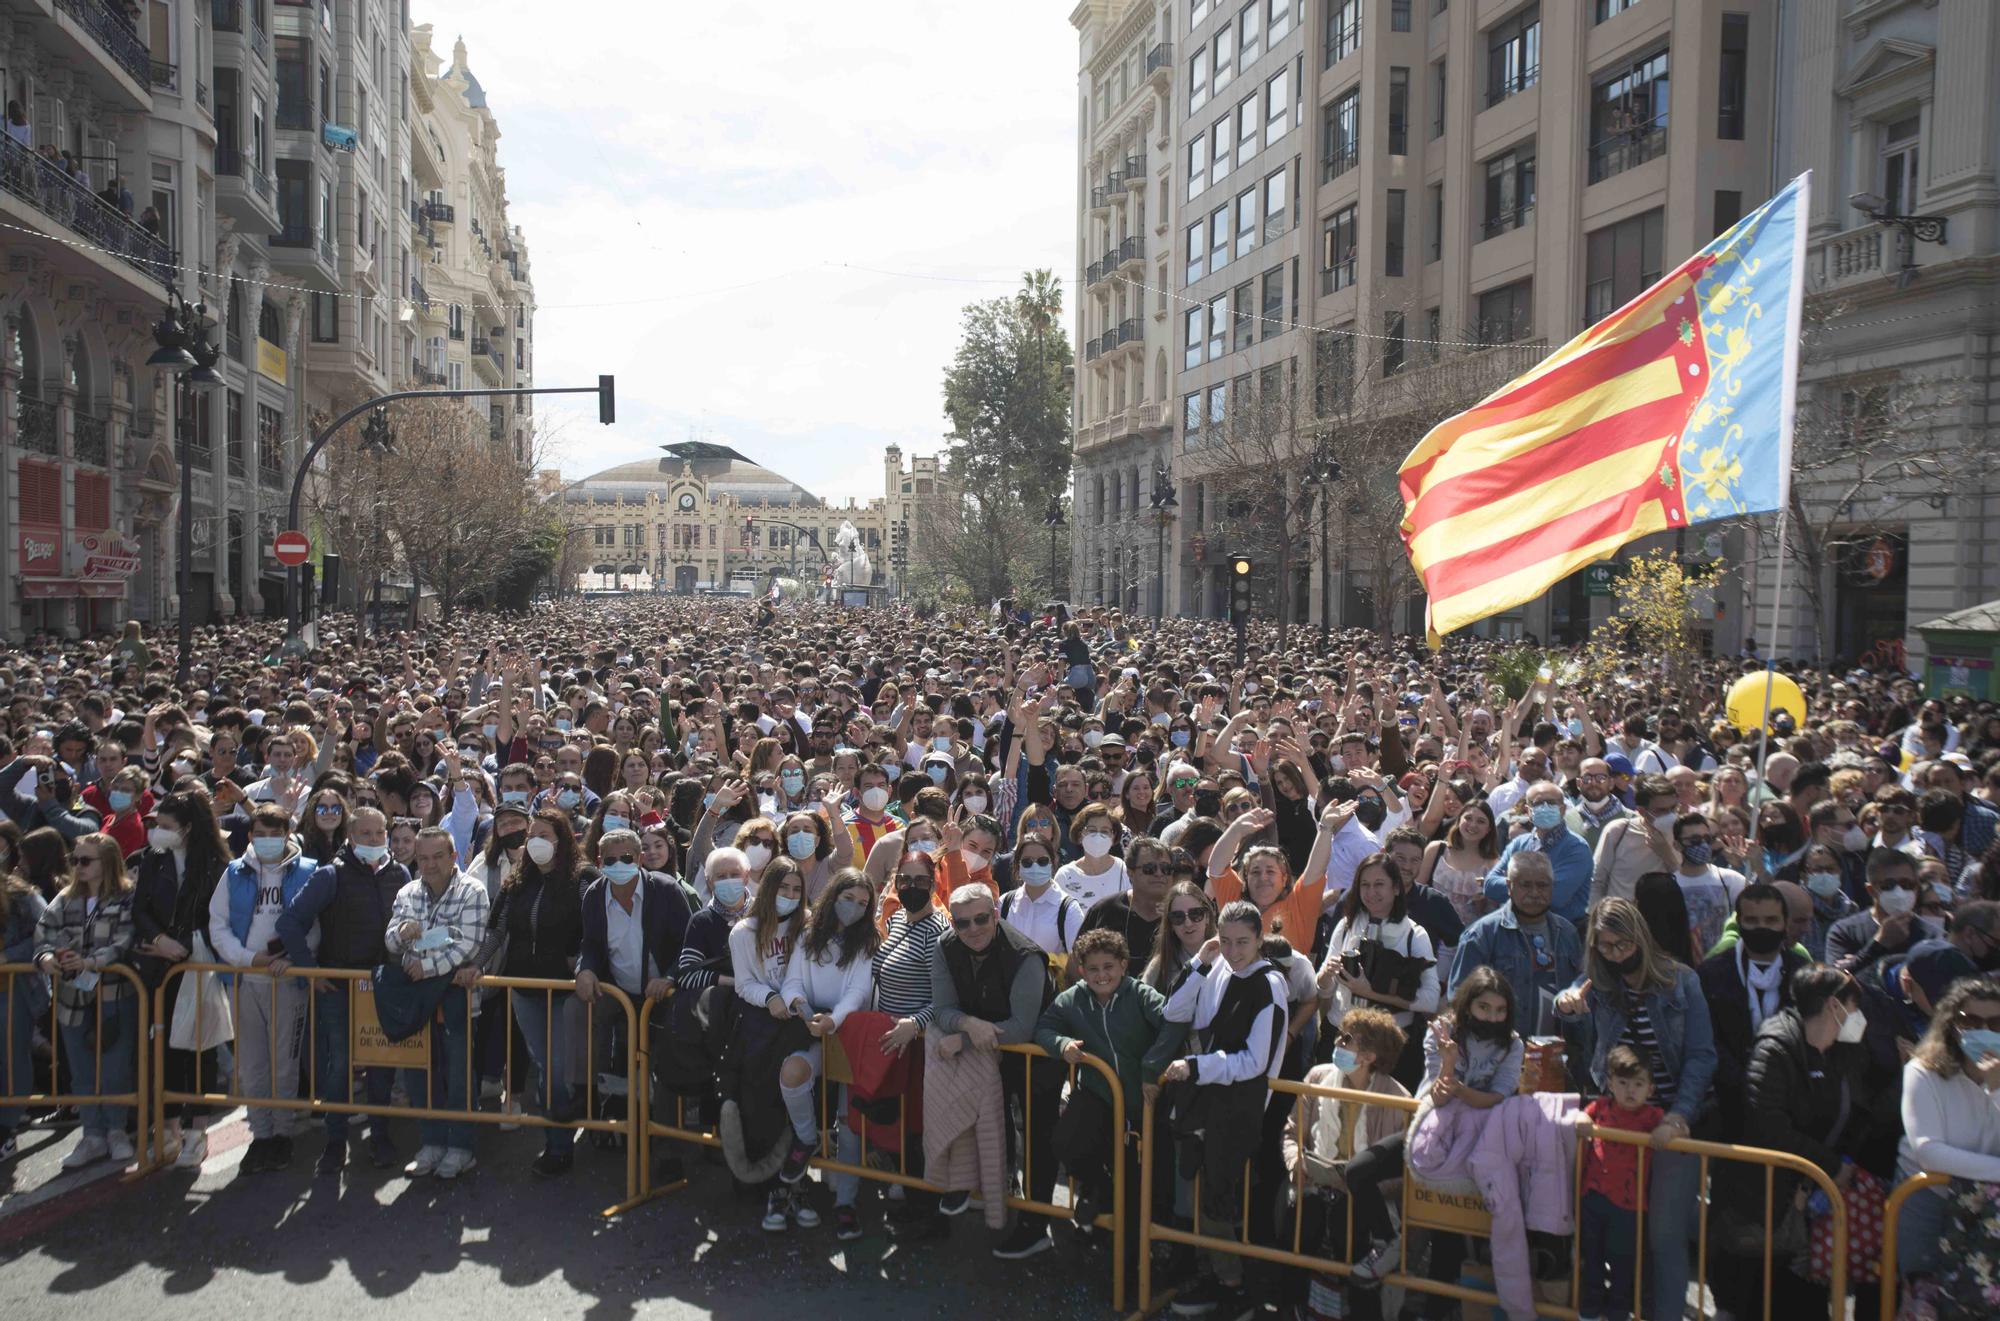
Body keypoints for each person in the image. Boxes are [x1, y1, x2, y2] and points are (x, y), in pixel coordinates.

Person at [1555, 896, 1715, 1321]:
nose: (1614, 955)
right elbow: (1570, 995)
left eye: (1622, 946)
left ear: (1639, 939)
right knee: (1605, 1230)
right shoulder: (1601, 982)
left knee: (1663, 1236)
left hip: (1667, 1125)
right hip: (1613, 1122)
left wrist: (1680, 1115)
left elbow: (1702, 1055)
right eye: (1605, 947)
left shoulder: (1681, 982)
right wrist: (1567, 1005)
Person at [1161, 899, 1289, 1318]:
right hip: (1204, 1102)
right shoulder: (1217, 965)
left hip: (1236, 1108)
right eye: (1227, 941)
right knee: (1202, 1195)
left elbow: (1255, 1062)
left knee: (1217, 1199)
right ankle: (1217, 1276)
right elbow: (1173, 1009)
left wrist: (1197, 1067)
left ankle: (1234, 1288)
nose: (1233, 952)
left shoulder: (1269, 985)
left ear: (1259, 940)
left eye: (1243, 943)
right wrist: (1201, 961)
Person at [1735, 966, 1880, 1318]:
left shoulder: (1845, 1050)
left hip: (1819, 1199)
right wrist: (1828, 1166)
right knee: (1776, 1300)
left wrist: (1841, 1163)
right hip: (1777, 1203)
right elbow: (1769, 1127)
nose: (1858, 1017)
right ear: (1834, 1006)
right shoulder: (1776, 1048)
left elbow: (1859, 1111)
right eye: (1854, 1007)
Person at [276, 804, 411, 1175]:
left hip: (383, 985)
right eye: (365, 834)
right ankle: (335, 1143)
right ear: (351, 838)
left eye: (379, 834)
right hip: (338, 988)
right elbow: (290, 922)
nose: (374, 840)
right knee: (337, 1068)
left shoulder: (399, 873)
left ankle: (380, 1135)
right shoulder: (328, 876)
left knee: (382, 1067)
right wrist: (310, 970)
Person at [931, 882, 1058, 1257]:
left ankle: (1037, 1225)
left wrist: (966, 1037)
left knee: (1038, 1137)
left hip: (1035, 1056)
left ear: (996, 915)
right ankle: (988, 1189)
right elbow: (942, 1009)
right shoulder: (945, 945)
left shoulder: (1025, 957)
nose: (973, 929)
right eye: (963, 923)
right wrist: (969, 1026)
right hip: (988, 1051)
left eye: (981, 919)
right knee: (984, 1120)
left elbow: (1022, 1026)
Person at [1035, 927, 1181, 1232]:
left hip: (1142, 1100)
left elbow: (1173, 1023)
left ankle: (1133, 1253)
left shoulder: (1139, 994)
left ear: (1123, 966)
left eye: (1108, 967)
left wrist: (1152, 1070)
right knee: (1067, 1142)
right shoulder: (1073, 999)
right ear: (1081, 970)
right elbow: (1045, 1028)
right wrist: (1062, 1045)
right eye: (1093, 969)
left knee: (1139, 1180)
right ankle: (1100, 1189)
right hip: (1098, 1094)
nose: (1101, 975)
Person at [1282, 1006, 1410, 1321]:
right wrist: (1296, 1161)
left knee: (1348, 1220)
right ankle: (1292, 1308)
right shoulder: (1317, 1077)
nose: (1338, 1042)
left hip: (1364, 1200)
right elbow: (1291, 1133)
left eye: (1347, 1039)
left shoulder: (1397, 1099)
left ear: (1369, 1056)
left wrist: (1359, 1184)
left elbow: (1404, 1174)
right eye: (1341, 1035)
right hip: (1314, 1184)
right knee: (1301, 1214)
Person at [480, 807, 589, 1176]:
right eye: (532, 836)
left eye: (545, 835)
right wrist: (473, 965)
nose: (536, 842)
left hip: (564, 991)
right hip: (524, 989)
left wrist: (582, 963)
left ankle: (560, 1147)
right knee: (544, 1067)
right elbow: (496, 932)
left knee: (558, 1069)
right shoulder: (517, 882)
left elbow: (593, 929)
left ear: (562, 841)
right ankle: (554, 1140)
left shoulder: (582, 878)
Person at [209, 803, 317, 1174]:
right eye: (261, 833)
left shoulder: (308, 871)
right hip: (244, 980)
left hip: (286, 981)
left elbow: (315, 926)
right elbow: (218, 923)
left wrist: (295, 957)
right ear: (250, 835)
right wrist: (244, 958)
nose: (268, 840)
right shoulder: (235, 873)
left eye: (277, 833)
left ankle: (284, 1132)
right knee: (252, 1066)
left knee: (284, 1063)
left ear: (288, 834)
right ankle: (262, 1134)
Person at [769, 868, 878, 1230]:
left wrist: (835, 1019)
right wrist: (801, 1007)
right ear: (833, 896)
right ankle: (806, 1137)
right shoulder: (808, 933)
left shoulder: (866, 941)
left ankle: (845, 1202)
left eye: (863, 903)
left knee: (849, 1123)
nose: (855, 908)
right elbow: (793, 981)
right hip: (811, 1029)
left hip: (850, 1036)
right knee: (792, 1074)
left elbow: (858, 992)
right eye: (848, 899)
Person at [129, 788, 231, 1168]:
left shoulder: (216, 864)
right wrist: (159, 940)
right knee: (165, 1049)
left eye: (166, 826)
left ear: (187, 828)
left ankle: (196, 1130)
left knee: (199, 1049)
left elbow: (216, 916)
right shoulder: (152, 860)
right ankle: (167, 1128)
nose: (157, 831)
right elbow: (140, 909)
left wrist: (183, 945)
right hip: (159, 967)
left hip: (199, 964)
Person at [33, 832, 137, 1169]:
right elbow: (44, 932)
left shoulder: (126, 897)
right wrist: (46, 957)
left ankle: (117, 1131)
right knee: (80, 1070)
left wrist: (92, 961)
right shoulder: (64, 898)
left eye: (85, 860)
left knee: (114, 1069)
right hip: (71, 997)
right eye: (74, 860)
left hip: (114, 995)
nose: (78, 866)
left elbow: (126, 939)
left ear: (106, 862)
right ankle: (91, 1134)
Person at [1897, 977, 2000, 1289]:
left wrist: (1996, 1090)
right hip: (1929, 1198)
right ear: (1953, 1024)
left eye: (1995, 1022)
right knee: (1925, 1298)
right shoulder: (1921, 1071)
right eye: (1971, 1021)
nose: (1984, 1030)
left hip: (1990, 1207)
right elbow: (1929, 1151)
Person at [1697, 883, 1810, 1148]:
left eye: (1771, 920)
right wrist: (1743, 1083)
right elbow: (1706, 1039)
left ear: (1785, 923)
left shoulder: (1803, 974)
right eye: (1752, 920)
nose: (1762, 928)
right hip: (1728, 1111)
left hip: (1788, 1110)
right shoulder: (1712, 974)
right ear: (1739, 923)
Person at [1316, 852, 1439, 1086]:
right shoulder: (1346, 925)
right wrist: (1325, 977)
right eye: (1365, 885)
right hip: (1342, 1037)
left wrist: (1370, 992)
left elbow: (1430, 1000)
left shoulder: (1414, 935)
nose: (1371, 893)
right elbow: (1324, 990)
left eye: (1379, 884)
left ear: (1395, 888)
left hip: (1389, 1045)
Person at [1449, 849, 1584, 1041]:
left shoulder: (1567, 933)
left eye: (1542, 885)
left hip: (1557, 1057)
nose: (1535, 893)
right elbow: (1458, 1000)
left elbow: (1578, 993)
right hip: (1500, 1056)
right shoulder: (1481, 936)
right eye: (1525, 885)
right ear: (1509, 886)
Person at [1576, 1045, 1663, 1321]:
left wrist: (1670, 1129)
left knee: (1623, 1263)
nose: (1629, 1091)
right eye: (1623, 1083)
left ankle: (1617, 1313)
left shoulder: (1652, 1117)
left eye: (1638, 1084)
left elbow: (1674, 1126)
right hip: (1593, 1197)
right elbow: (1582, 1116)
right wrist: (1580, 1119)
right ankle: (1588, 1311)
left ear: (1650, 1088)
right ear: (1610, 1083)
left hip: (1629, 1206)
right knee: (1591, 1259)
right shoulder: (1600, 1106)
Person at [1482, 782, 1593, 923]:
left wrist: (1515, 884)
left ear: (1563, 809)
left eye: (1551, 803)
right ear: (1528, 811)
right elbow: (1490, 885)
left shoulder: (1576, 848)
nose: (1545, 808)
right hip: (1516, 931)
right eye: (1539, 803)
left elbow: (1555, 897)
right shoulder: (1519, 843)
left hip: (1559, 934)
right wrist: (1535, 886)